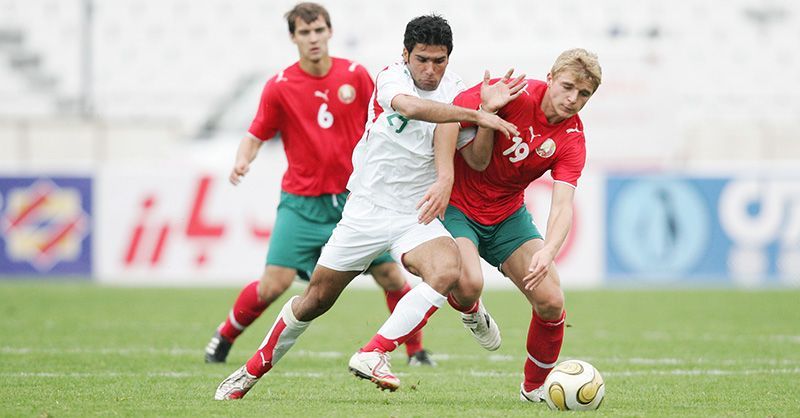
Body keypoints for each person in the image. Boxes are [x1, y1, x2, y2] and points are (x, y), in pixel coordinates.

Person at [214, 14, 526, 400]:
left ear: (449, 58)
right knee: (316, 300)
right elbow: (410, 108)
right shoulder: (391, 78)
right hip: (366, 209)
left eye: (439, 61)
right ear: (405, 55)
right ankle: (249, 372)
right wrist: (474, 113)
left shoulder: (457, 91)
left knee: (449, 269)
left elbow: (475, 160)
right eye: (422, 60)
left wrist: (488, 118)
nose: (430, 70)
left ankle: (374, 352)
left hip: (414, 212)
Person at [204, 2, 435, 368]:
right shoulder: (279, 87)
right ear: (293, 38)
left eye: (318, 30)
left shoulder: (355, 76)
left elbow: (384, 119)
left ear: (329, 32)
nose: (313, 38)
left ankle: (416, 352)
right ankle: (225, 336)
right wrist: (243, 159)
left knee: (391, 275)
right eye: (304, 32)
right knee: (273, 284)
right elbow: (256, 133)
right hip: (302, 203)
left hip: (355, 200)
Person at [439, 48, 602, 403]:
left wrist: (549, 250)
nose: (573, 99)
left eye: (584, 94)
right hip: (458, 206)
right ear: (550, 78)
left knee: (551, 300)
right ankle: (471, 310)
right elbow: (445, 118)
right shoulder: (512, 92)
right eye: (568, 87)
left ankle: (533, 388)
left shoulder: (572, 137)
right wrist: (484, 114)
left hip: (507, 215)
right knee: (468, 286)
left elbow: (563, 205)